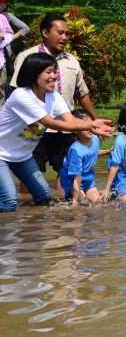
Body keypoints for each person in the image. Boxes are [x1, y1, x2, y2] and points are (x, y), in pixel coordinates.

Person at [0, 53, 112, 212]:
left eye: (55, 71)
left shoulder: (54, 97)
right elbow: (50, 122)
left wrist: (91, 124)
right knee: (10, 201)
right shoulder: (21, 96)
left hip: (22, 156)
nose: (54, 76)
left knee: (44, 197)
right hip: (1, 153)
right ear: (33, 73)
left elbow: (71, 121)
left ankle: (33, 232)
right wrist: (88, 127)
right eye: (48, 72)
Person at [11, 14, 98, 193]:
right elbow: (16, 92)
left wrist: (94, 121)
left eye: (67, 34)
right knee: (31, 174)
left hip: (66, 127)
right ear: (45, 32)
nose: (65, 37)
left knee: (66, 171)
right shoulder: (28, 57)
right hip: (34, 127)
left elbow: (82, 93)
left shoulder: (72, 61)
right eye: (60, 33)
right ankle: (29, 213)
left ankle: (62, 214)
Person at [59, 109, 111, 205]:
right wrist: (75, 202)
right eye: (85, 125)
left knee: (100, 202)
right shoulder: (76, 150)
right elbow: (76, 176)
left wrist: (107, 151)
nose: (90, 128)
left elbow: (91, 153)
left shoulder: (95, 139)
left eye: (91, 124)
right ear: (75, 129)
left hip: (87, 177)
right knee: (83, 203)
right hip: (72, 179)